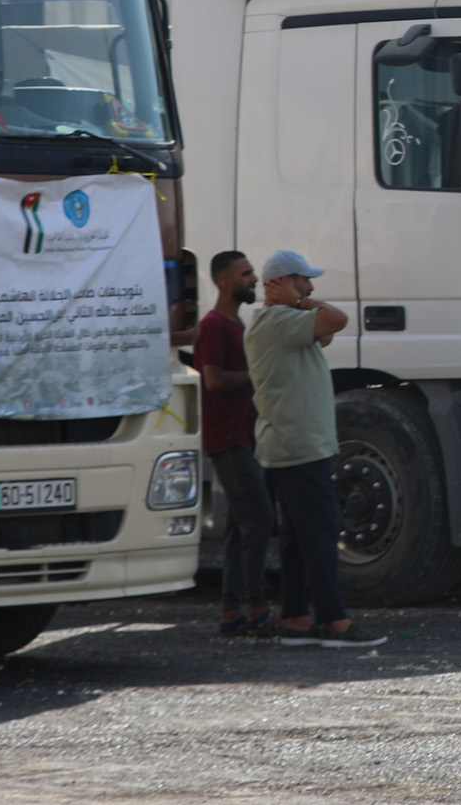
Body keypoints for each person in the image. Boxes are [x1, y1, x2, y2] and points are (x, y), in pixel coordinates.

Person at [245, 249, 386, 650]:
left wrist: (299, 302)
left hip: (288, 444)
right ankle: (334, 621)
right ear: (282, 282)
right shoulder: (280, 320)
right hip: (300, 446)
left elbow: (325, 333)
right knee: (321, 534)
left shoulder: (278, 322)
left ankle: (296, 618)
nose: (310, 287)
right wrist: (301, 302)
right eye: (303, 280)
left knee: (296, 537)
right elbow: (336, 320)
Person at [194, 250, 275, 636]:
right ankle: (256, 605)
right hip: (228, 439)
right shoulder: (214, 326)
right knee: (260, 519)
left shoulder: (235, 324)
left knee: (239, 526)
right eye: (246, 274)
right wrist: (254, 374)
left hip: (243, 435)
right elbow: (213, 380)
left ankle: (232, 611)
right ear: (225, 282)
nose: (254, 279)